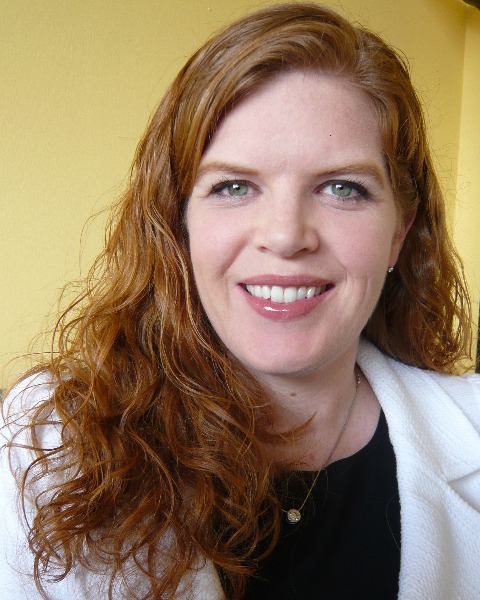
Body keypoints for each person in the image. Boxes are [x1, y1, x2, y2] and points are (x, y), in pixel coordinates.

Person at [1, 2, 479, 599]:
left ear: (399, 233)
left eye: (341, 188)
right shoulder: (47, 445)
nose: (285, 236)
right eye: (233, 186)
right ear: (178, 222)